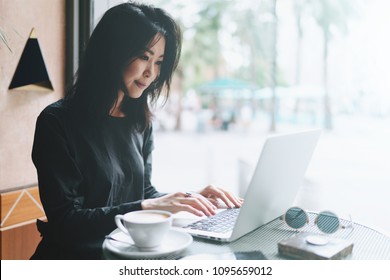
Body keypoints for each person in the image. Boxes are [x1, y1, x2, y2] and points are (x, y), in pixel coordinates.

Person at [31, 2, 242, 260]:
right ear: (112, 52)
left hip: (124, 256)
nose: (150, 73)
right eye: (144, 56)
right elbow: (67, 222)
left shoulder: (140, 122)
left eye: (159, 62)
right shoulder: (56, 122)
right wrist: (146, 206)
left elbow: (144, 195)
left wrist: (191, 197)